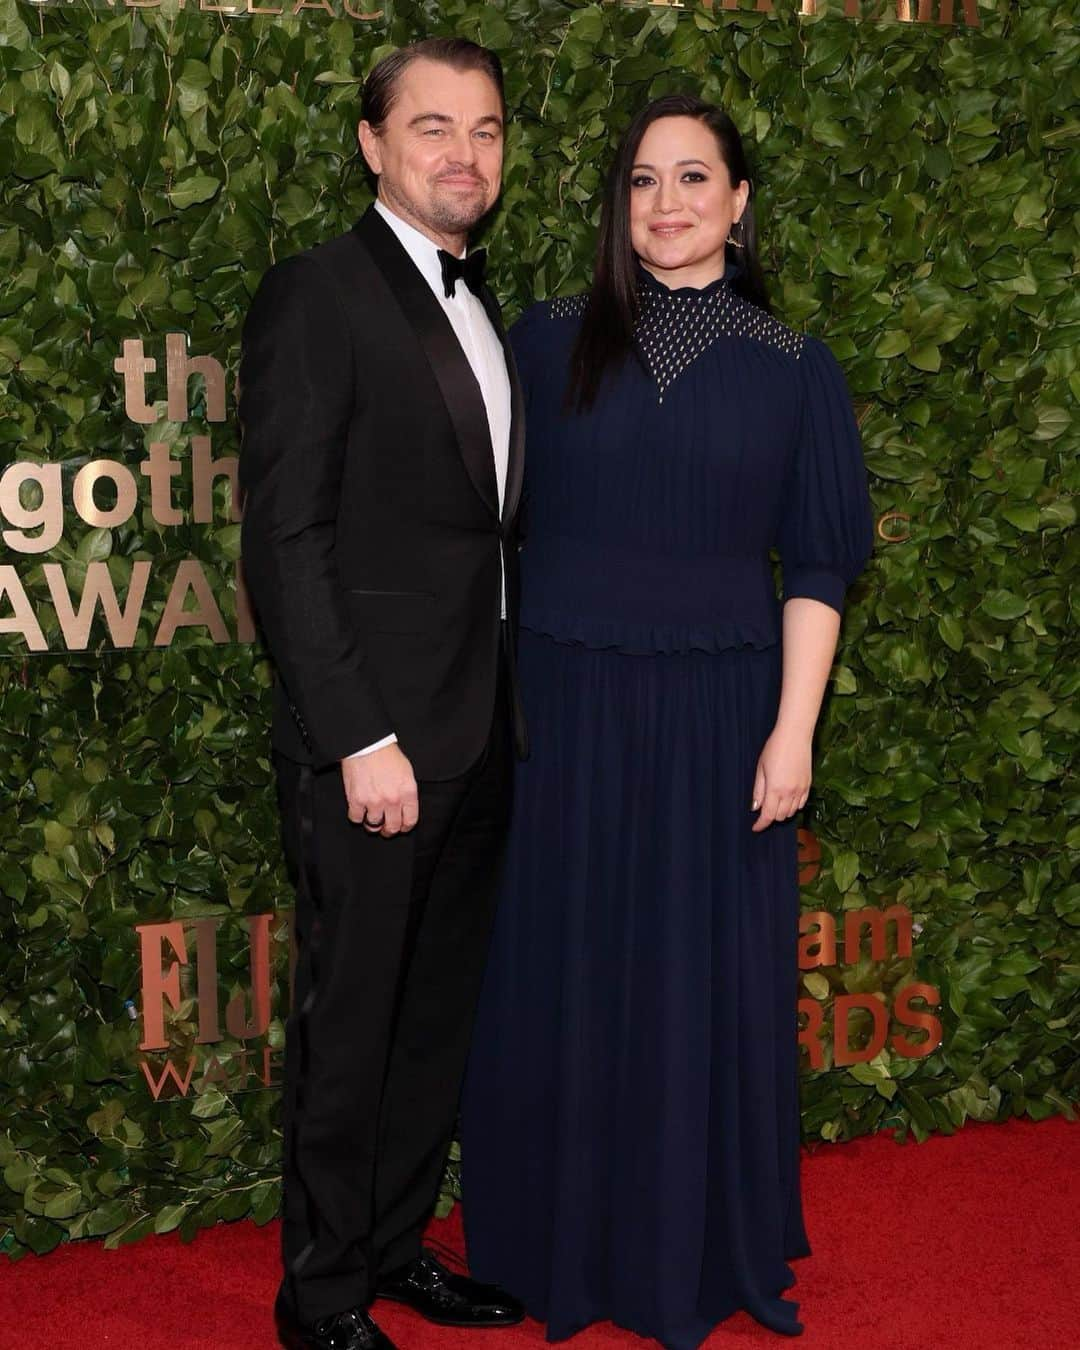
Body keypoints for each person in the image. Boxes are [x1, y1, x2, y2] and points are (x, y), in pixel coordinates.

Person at [461, 94, 874, 1348]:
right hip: (563, 719)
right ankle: (552, 1242)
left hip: (720, 720)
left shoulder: (795, 367)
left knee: (701, 985)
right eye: (643, 180)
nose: (669, 204)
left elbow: (817, 565)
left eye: (696, 178)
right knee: (563, 973)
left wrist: (793, 731)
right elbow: (468, 527)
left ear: (741, 201)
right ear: (616, 202)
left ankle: (695, 1242)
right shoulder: (538, 341)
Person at [239, 38, 528, 1350]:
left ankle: (398, 1246)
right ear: (372, 144)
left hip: (483, 733)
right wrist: (360, 734)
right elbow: (284, 539)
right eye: (431, 127)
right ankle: (321, 1298)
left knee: (428, 1023)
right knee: (351, 1026)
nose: (462, 153)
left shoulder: (488, 307)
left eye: (484, 129)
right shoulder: (319, 295)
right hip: (378, 745)